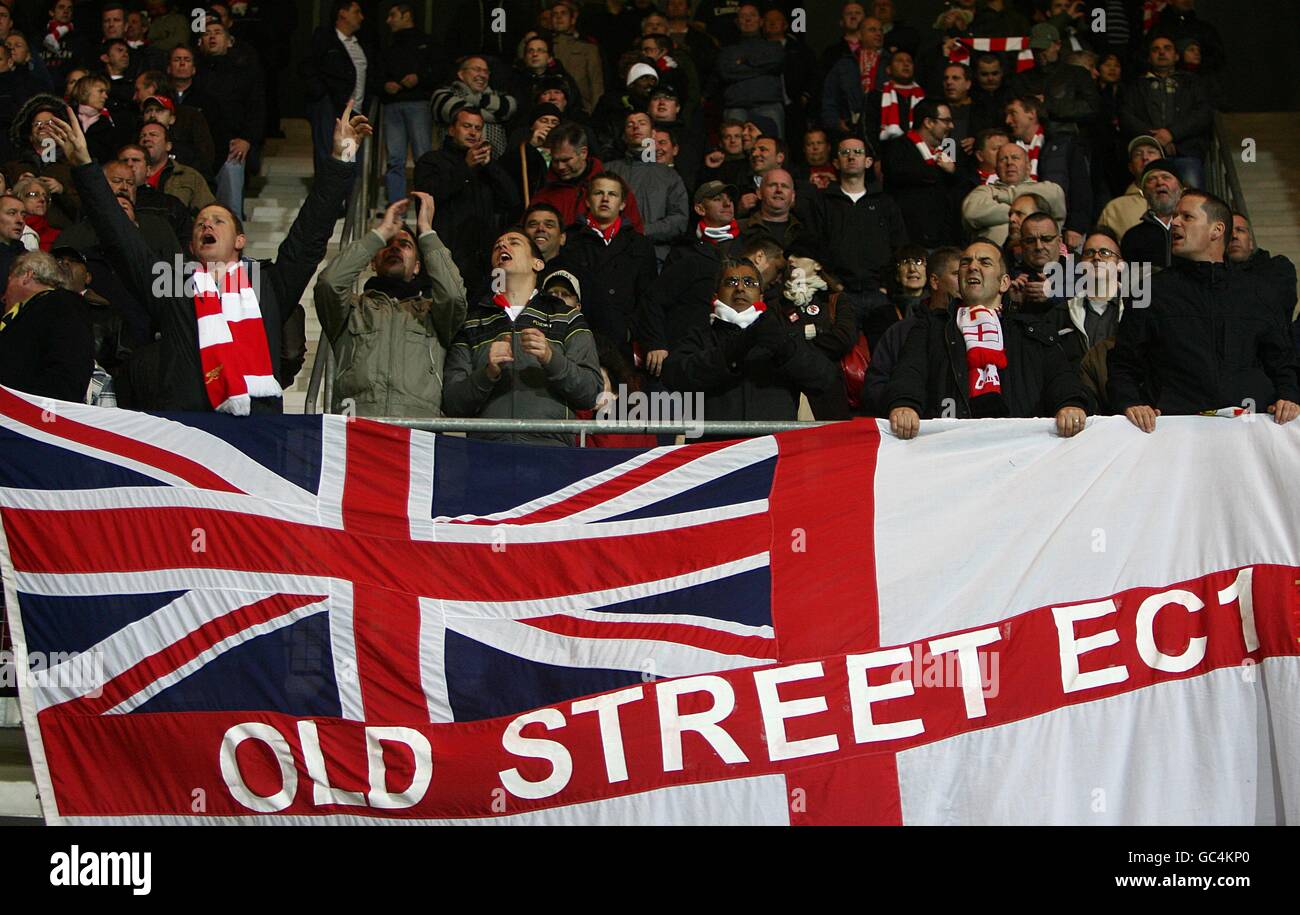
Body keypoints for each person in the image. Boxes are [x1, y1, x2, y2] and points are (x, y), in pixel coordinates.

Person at [53, 99, 365, 413]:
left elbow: (308, 238)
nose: (206, 224)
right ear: (191, 246)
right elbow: (122, 241)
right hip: (190, 433)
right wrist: (84, 166)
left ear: (240, 240)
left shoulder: (267, 285)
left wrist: (343, 157)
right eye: (201, 222)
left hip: (256, 431)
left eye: (218, 221)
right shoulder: (171, 285)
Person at [1109, 190, 1299, 431]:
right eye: (1175, 216)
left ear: (1217, 230)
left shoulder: (1259, 292)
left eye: (1187, 217)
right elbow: (1123, 363)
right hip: (1173, 434)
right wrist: (1132, 402)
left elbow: (1282, 361)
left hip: (1252, 436)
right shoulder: (1150, 291)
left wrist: (1289, 397)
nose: (1175, 222)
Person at [886, 239, 1088, 436]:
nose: (972, 267)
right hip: (951, 447)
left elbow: (1060, 376)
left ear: (1004, 282)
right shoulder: (931, 328)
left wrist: (1070, 403)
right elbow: (910, 371)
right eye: (966, 262)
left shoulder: (1032, 330)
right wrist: (905, 404)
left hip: (1019, 450)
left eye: (985, 262)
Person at [442, 228, 602, 447]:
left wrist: (550, 358)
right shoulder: (472, 323)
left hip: (551, 452)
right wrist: (487, 374)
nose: (502, 247)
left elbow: (591, 392)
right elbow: (452, 403)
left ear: (537, 264)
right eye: (497, 245)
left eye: (514, 242)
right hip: (486, 454)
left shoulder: (566, 316)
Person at [314, 192, 467, 418]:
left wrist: (426, 231)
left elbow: (454, 296)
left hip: (419, 427)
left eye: (404, 245)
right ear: (373, 263)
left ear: (417, 266)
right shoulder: (353, 309)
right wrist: (379, 233)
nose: (394, 248)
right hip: (358, 422)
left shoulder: (432, 313)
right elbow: (329, 283)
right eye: (386, 245)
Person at [661, 257, 838, 423]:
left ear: (761, 296)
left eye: (749, 282)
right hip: (714, 450)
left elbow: (825, 379)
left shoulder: (783, 334)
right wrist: (735, 349)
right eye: (731, 282)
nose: (740, 288)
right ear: (716, 295)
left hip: (772, 451)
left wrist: (786, 349)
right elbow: (675, 377)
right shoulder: (700, 337)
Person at [412, 107, 518, 293]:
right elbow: (428, 197)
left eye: (478, 128)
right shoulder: (431, 161)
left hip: (484, 266)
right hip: (446, 261)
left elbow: (513, 201)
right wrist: (465, 167)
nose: (473, 133)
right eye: (467, 126)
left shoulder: (487, 167)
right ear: (452, 130)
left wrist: (491, 166)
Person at [551, 172, 655, 360]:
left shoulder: (640, 244)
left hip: (621, 337)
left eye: (612, 194)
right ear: (588, 201)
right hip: (578, 331)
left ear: (623, 204)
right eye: (599, 193)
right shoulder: (570, 239)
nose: (605, 199)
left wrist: (633, 333)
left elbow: (648, 297)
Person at [637, 180, 738, 371]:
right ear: (700, 208)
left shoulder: (748, 247)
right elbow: (655, 299)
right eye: (717, 199)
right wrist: (657, 343)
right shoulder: (684, 252)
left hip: (733, 354)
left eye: (730, 200)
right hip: (689, 353)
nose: (727, 204)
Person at [864, 245, 962, 415]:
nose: (965, 280)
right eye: (956, 274)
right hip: (912, 432)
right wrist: (903, 407)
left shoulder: (975, 328)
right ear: (934, 281)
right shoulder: (900, 331)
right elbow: (875, 387)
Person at [811, 135, 908, 296]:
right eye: (845, 152)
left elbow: (900, 245)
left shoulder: (885, 202)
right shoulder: (823, 203)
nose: (851, 156)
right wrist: (834, 284)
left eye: (857, 152)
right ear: (836, 162)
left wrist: (887, 285)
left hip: (880, 293)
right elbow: (815, 246)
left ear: (868, 162)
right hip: (838, 293)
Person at [1118, 33, 1211, 191]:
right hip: (1148, 155)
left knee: (1193, 200)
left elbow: (1203, 113)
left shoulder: (1192, 82)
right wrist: (1156, 138)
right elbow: (1125, 116)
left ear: (1176, 56)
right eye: (1156, 49)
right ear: (1149, 57)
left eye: (1167, 48)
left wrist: (1172, 134)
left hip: (1185, 152)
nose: (1161, 52)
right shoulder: (1136, 86)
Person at [0, 248, 93, 402]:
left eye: (10, 280)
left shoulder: (63, 304)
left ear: (27, 275)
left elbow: (68, 369)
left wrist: (41, 412)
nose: (4, 297)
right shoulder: (37, 308)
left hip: (34, 414)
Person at [195, 19, 265, 219]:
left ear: (229, 41)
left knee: (231, 211)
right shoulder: (195, 71)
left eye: (217, 32)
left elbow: (256, 107)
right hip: (200, 149)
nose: (212, 36)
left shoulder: (244, 71)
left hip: (232, 148)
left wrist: (247, 139)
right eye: (207, 33)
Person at [603, 109, 688, 266]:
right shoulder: (609, 170)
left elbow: (679, 219)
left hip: (656, 257)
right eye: (630, 124)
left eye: (642, 123)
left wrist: (643, 230)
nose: (636, 127)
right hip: (612, 254)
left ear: (653, 134)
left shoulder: (669, 175)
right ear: (623, 135)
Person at [1005, 95, 1090, 246]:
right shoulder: (1007, 150)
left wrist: (1076, 226)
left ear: (1031, 113)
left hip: (1062, 231)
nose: (1008, 121)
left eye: (1013, 113)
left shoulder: (1064, 144)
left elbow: (1080, 187)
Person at [531, 121, 643, 232]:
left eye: (566, 160)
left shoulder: (614, 187)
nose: (560, 167)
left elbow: (635, 232)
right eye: (555, 160)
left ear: (583, 152)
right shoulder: (544, 196)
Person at [881, 98, 962, 249]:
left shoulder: (948, 149)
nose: (951, 125)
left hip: (942, 239)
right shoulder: (898, 147)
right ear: (929, 123)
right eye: (946, 121)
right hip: (909, 239)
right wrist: (940, 171)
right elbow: (902, 175)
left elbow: (957, 185)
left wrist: (953, 171)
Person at [378, 2, 434, 208]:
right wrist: (386, 85)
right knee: (395, 159)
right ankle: (396, 208)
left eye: (393, 15)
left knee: (423, 159)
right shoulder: (389, 46)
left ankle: (425, 207)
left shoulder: (426, 42)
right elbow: (378, 74)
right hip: (393, 105)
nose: (388, 20)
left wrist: (419, 78)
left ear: (406, 15)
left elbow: (438, 68)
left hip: (418, 103)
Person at [961, 142, 1066, 246]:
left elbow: (1055, 195)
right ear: (996, 169)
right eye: (1003, 159)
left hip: (1040, 254)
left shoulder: (1048, 189)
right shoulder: (984, 191)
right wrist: (1025, 213)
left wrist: (1006, 196)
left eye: (1015, 158)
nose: (1009, 163)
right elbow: (971, 213)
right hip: (993, 259)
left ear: (1028, 167)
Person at [716, 3, 784, 138]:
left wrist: (743, 63)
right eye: (743, 16)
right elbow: (725, 73)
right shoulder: (727, 51)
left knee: (772, 148)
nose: (748, 19)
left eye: (752, 15)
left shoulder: (774, 47)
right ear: (737, 22)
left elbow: (776, 64)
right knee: (735, 151)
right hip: (736, 107)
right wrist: (761, 67)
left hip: (768, 105)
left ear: (761, 21)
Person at [431, 55, 517, 161]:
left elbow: (511, 107)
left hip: (495, 162)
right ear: (461, 74)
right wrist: (496, 115)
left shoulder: (498, 95)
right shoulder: (443, 94)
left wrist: (478, 100)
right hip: (454, 163)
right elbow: (462, 115)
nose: (482, 75)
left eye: (486, 71)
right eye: (477, 69)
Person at [1227, 212, 1297, 332]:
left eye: (1240, 230)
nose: (1234, 236)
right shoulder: (1215, 275)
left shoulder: (1277, 268)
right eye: (1228, 232)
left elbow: (1279, 306)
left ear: (1251, 242)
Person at [137, 120, 214, 213]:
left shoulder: (190, 176)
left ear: (168, 146)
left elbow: (209, 212)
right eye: (142, 136)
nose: (146, 139)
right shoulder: (128, 175)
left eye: (153, 135)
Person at [1098, 135, 1163, 241]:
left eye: (1151, 152)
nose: (1145, 157)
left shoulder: (1182, 200)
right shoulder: (1115, 208)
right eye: (1138, 154)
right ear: (1131, 167)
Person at [1120, 158, 1181, 269]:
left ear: (1180, 188)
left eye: (1166, 177)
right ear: (1144, 193)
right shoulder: (1133, 237)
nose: (1160, 182)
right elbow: (1133, 282)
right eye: (1151, 179)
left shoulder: (1194, 231)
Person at [548, 1, 603, 113]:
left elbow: (596, 85)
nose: (558, 17)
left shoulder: (588, 49)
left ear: (573, 19)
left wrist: (596, 113)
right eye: (555, 14)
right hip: (550, 107)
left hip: (582, 109)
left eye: (563, 13)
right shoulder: (544, 46)